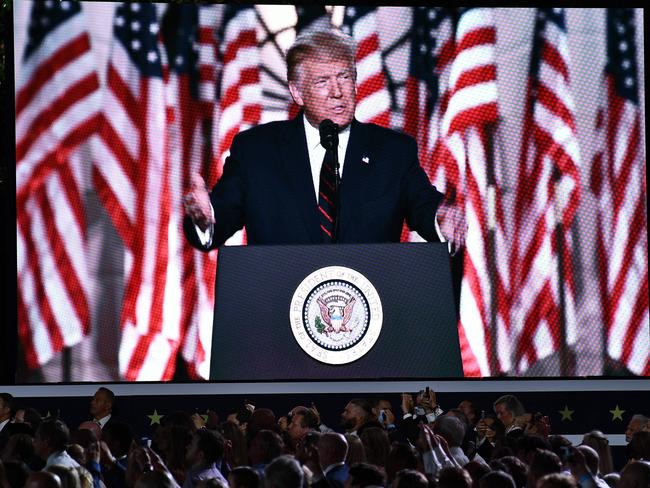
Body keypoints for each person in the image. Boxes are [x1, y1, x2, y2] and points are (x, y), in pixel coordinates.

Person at [183, 28, 466, 252]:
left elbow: (424, 206)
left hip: (370, 308)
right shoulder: (256, 151)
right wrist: (207, 217)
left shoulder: (392, 151)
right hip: (279, 308)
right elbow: (221, 214)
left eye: (344, 77)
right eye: (321, 82)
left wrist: (442, 220)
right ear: (297, 93)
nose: (337, 91)